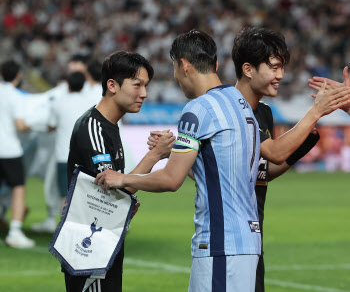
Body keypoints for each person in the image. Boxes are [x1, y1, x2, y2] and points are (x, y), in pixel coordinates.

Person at [95, 30, 261, 292]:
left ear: (184, 65)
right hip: (247, 241)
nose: (175, 77)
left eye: (174, 68)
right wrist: (174, 153)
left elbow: (172, 180)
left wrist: (123, 178)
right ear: (215, 65)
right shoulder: (240, 102)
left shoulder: (198, 109)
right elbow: (219, 170)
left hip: (220, 242)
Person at [231, 27, 350, 292]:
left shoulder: (262, 112)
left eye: (282, 67)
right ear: (248, 69)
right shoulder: (229, 109)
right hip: (229, 240)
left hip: (252, 236)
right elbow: (273, 152)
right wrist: (316, 111)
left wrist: (303, 144)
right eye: (274, 68)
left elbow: (265, 170)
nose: (280, 76)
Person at [64, 51, 175, 292]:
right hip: (89, 251)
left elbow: (119, 186)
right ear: (112, 85)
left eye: (145, 86)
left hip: (104, 243)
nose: (144, 94)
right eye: (137, 85)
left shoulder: (109, 126)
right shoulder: (93, 127)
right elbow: (113, 190)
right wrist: (154, 156)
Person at [48, 71, 97, 211]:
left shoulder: (58, 103)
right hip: (87, 156)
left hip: (64, 155)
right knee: (88, 196)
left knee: (66, 196)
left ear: (67, 84)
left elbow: (51, 125)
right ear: (83, 85)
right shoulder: (92, 103)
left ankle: (65, 230)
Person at [0, 60, 34, 248]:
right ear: (18, 75)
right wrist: (38, 125)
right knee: (18, 188)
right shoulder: (15, 96)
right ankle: (15, 231)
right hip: (9, 149)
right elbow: (20, 125)